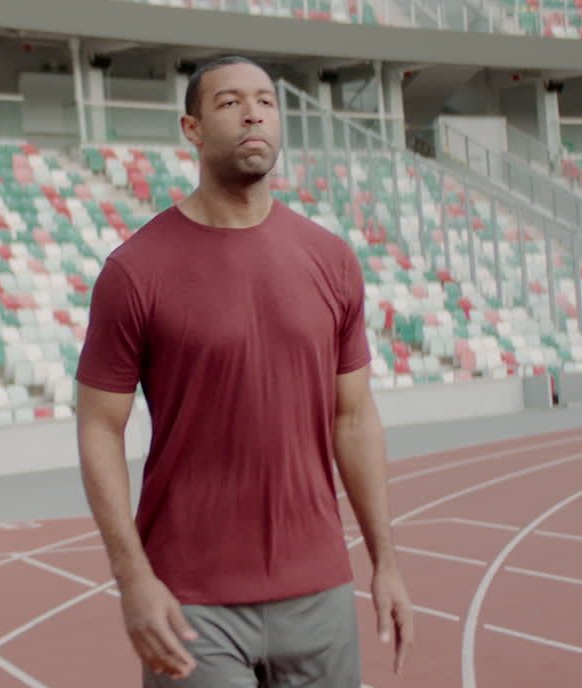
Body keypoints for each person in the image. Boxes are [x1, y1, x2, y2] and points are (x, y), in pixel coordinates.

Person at [75, 55, 414, 687]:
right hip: (190, 601)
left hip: (319, 593)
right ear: (192, 129)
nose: (253, 113)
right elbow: (98, 428)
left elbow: (353, 419)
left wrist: (385, 560)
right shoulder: (135, 271)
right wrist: (132, 578)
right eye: (229, 102)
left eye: (264, 100)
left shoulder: (332, 260)